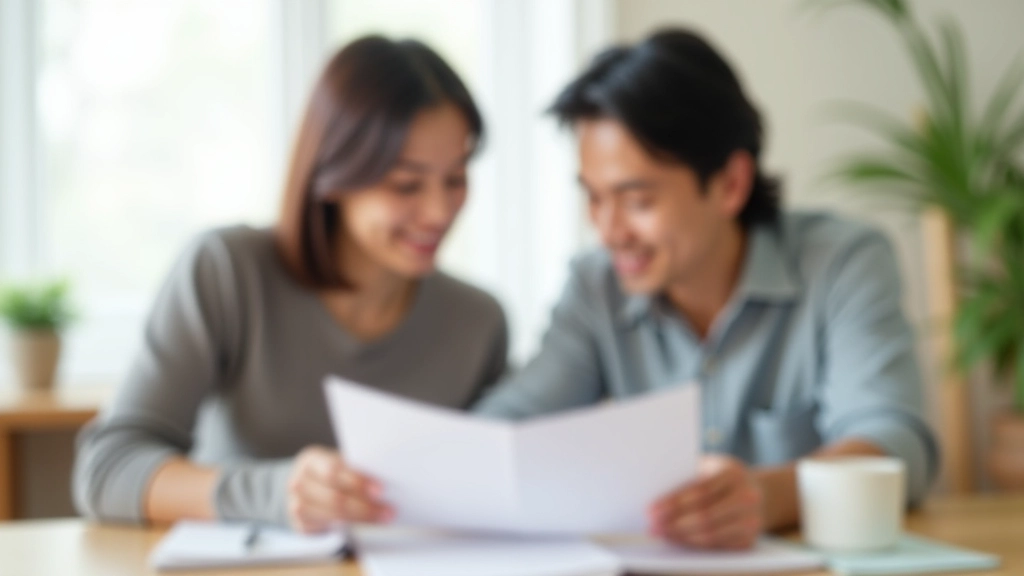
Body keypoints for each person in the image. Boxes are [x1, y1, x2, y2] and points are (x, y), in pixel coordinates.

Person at [474, 28, 938, 550]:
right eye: (594, 199)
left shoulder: (843, 262)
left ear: (731, 184)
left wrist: (768, 496)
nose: (608, 231)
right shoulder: (594, 285)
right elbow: (505, 430)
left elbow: (896, 444)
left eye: (637, 200)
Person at [72, 36, 507, 534]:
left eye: (455, 178)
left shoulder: (479, 320)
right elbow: (105, 470)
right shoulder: (227, 272)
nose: (440, 212)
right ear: (335, 174)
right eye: (406, 185)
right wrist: (276, 493)